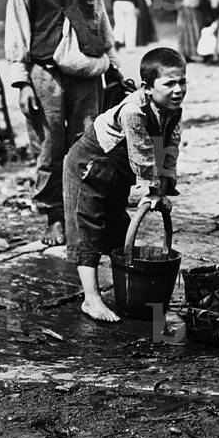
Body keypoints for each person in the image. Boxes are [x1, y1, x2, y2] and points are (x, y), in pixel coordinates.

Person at [4, 0, 121, 247]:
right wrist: (22, 82)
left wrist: (114, 65)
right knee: (50, 145)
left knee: (87, 143)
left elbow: (101, 20)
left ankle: (83, 215)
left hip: (86, 70)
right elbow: (16, 33)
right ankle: (55, 217)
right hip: (46, 74)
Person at [63, 47, 185, 322]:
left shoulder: (172, 111)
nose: (178, 90)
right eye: (169, 84)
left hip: (118, 172)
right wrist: (150, 190)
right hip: (89, 167)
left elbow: (170, 150)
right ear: (147, 87)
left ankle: (127, 290)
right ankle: (91, 299)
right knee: (88, 229)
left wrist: (164, 191)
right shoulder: (134, 111)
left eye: (182, 82)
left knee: (118, 228)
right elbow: (142, 154)